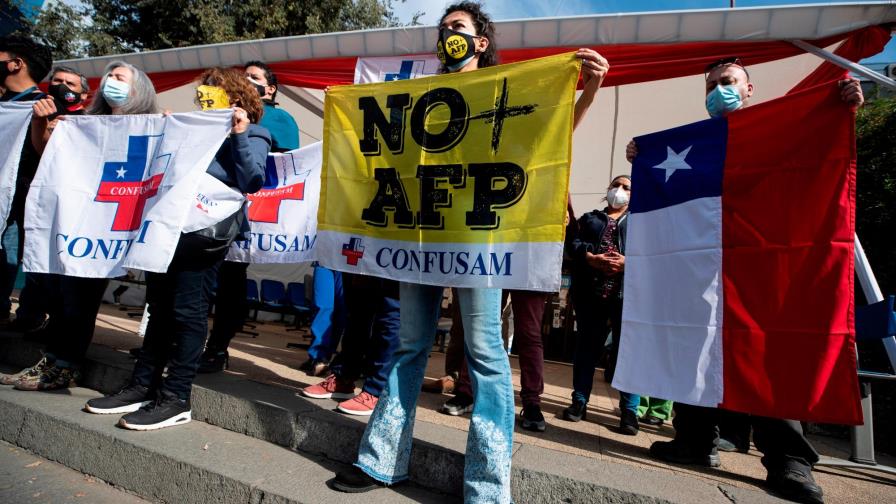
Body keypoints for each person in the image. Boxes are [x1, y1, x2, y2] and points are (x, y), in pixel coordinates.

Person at [331, 2, 609, 500]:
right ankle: (380, 461)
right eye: (442, 30)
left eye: (457, 28)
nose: (447, 36)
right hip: (422, 237)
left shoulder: (504, 93)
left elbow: (552, 135)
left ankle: (486, 487)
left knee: (485, 356)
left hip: (481, 242)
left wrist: (588, 88)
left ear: (481, 42)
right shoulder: (421, 97)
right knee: (410, 346)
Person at [628, 57, 864, 504]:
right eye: (712, 84)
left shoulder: (783, 130)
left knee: (768, 348)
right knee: (694, 341)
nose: (720, 89)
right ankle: (694, 440)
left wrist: (845, 109)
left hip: (764, 263)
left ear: (750, 88)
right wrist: (642, 159)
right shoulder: (696, 145)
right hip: (706, 265)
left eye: (729, 81)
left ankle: (789, 460)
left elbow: (820, 161)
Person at [84, 67, 270, 430]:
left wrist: (241, 135)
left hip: (204, 236)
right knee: (160, 309)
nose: (203, 97)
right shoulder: (190, 126)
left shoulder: (255, 132)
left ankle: (176, 397)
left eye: (212, 91)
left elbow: (253, 180)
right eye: (202, 92)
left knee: (188, 312)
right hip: (169, 228)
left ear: (234, 98)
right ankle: (142, 385)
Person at [0, 61, 158, 391]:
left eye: (120, 77)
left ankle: (66, 366)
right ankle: (52, 360)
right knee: (62, 296)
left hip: (109, 227)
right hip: (76, 222)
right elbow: (46, 152)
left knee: (82, 301)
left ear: (139, 89)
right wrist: (41, 124)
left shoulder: (151, 127)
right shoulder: (85, 123)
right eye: (110, 76)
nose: (111, 82)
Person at [198, 60, 300, 374]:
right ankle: (182, 343)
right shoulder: (213, 115)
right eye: (245, 76)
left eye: (255, 77)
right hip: (205, 210)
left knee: (229, 284)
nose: (247, 79)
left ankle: (217, 348)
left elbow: (284, 166)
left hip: (249, 208)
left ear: (270, 89)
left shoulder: (277, 119)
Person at [11, 65, 92, 337]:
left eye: (70, 83)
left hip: (66, 205)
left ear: (84, 93)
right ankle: (28, 315)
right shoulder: (35, 114)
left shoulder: (89, 122)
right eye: (56, 81)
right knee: (30, 258)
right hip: (28, 197)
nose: (61, 86)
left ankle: (53, 322)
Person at [0, 35, 52, 324]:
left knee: (9, 254)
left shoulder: (43, 107)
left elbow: (45, 154)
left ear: (15, 64)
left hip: (16, 200)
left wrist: (40, 123)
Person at [300, 273, 399, 415]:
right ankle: (344, 378)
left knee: (390, 314)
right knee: (357, 309)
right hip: (365, 255)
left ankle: (377, 391)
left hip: (400, 258)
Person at [297, 263, 347, 376]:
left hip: (350, 261)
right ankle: (318, 356)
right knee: (322, 306)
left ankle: (326, 356)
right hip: (325, 257)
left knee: (341, 310)